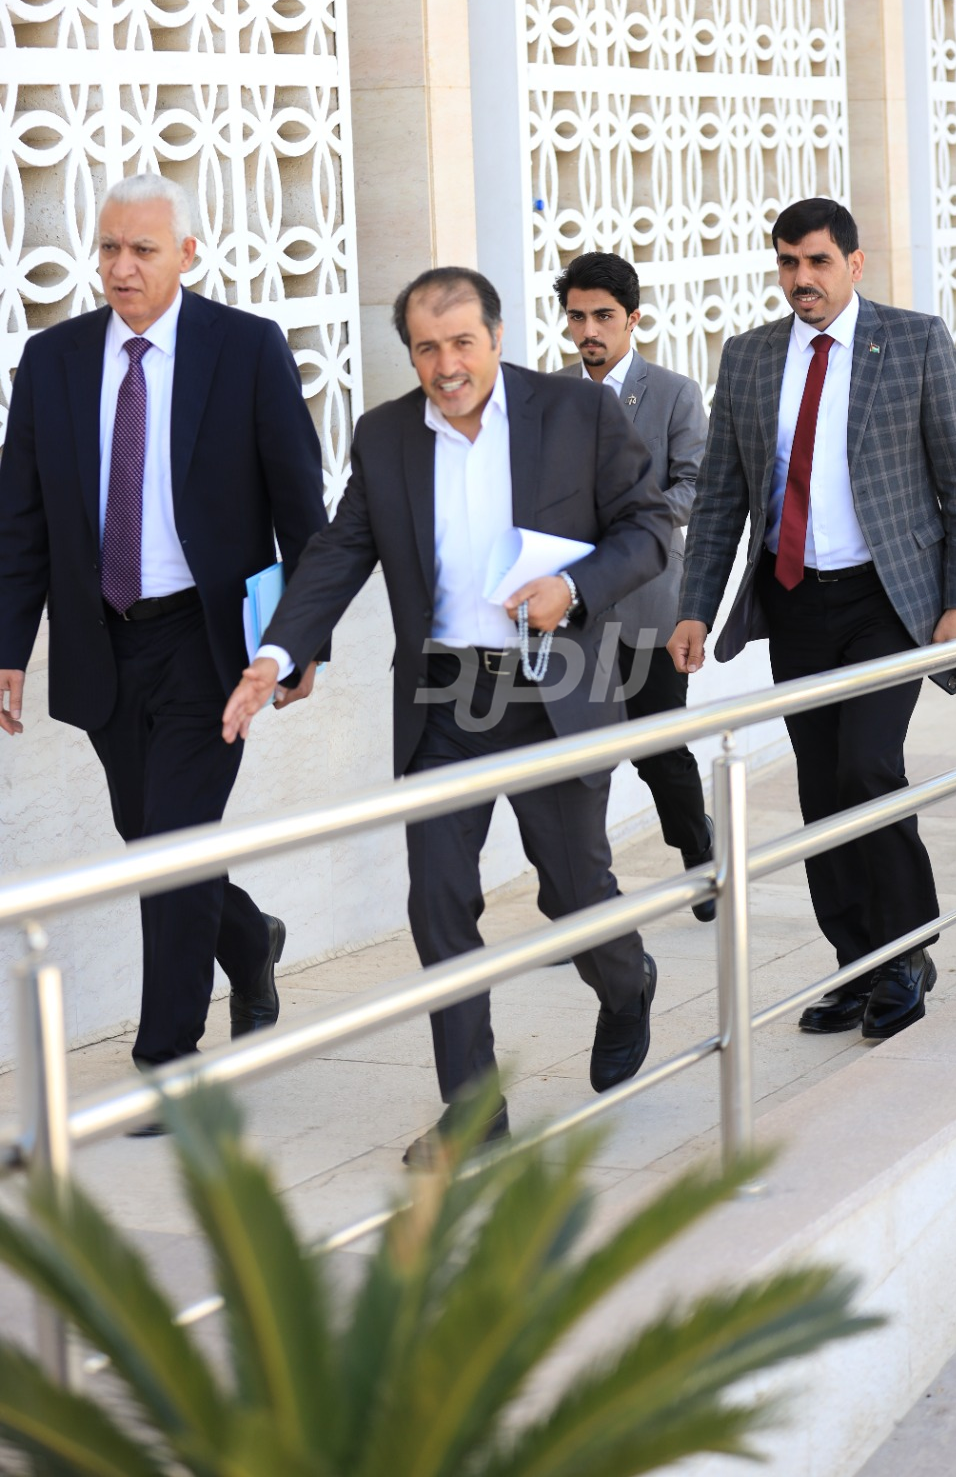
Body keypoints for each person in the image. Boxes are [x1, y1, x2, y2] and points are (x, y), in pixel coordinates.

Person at [222, 266, 672, 1165]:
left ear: (496, 338)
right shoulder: (386, 436)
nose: (447, 364)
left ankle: (627, 985)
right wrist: (275, 653)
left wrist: (575, 588)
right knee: (437, 904)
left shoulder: (576, 413)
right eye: (427, 348)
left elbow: (650, 528)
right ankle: (473, 1111)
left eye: (463, 342)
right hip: (442, 702)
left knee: (574, 892)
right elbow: (338, 553)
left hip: (549, 691)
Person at [0, 173, 328, 1108]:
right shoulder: (52, 360)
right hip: (102, 641)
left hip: (206, 641)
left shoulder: (246, 348)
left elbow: (301, 505)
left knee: (173, 846)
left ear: (187, 254)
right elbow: (20, 519)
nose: (121, 267)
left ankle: (167, 1063)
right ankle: (249, 939)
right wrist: (9, 646)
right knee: (150, 838)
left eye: (142, 249)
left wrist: (299, 639)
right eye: (108, 247)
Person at [669, 198, 956, 1039]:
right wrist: (695, 607)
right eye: (787, 262)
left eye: (816, 261)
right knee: (819, 786)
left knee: (867, 769)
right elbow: (720, 500)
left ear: (854, 263)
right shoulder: (748, 357)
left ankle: (907, 952)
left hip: (888, 599)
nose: (800, 278)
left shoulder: (915, 341)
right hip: (796, 599)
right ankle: (858, 962)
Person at [554, 251, 715, 921]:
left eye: (603, 316)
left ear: (633, 319)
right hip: (574, 611)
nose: (588, 330)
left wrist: (629, 523)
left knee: (660, 753)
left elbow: (696, 485)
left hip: (650, 601)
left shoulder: (674, 393)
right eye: (577, 317)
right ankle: (578, 901)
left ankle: (701, 855)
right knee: (574, 762)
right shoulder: (551, 394)